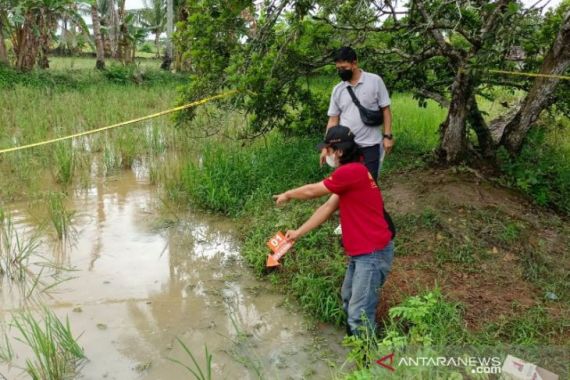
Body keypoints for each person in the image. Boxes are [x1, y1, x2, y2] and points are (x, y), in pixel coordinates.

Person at [274, 125, 394, 336]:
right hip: (363, 252)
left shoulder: (351, 171)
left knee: (359, 314)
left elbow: (313, 191)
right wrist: (299, 232)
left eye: (328, 149)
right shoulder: (356, 170)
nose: (326, 154)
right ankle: (356, 346)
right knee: (348, 298)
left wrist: (288, 194)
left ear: (339, 151)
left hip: (372, 253)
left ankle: (369, 362)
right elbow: (328, 207)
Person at [321, 46, 394, 181]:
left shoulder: (375, 81)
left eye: (344, 67)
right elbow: (333, 120)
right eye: (338, 69)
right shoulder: (338, 90)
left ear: (354, 63)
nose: (341, 71)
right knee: (347, 184)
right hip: (346, 147)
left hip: (370, 144)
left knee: (370, 183)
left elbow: (385, 110)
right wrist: (327, 145)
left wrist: (388, 136)